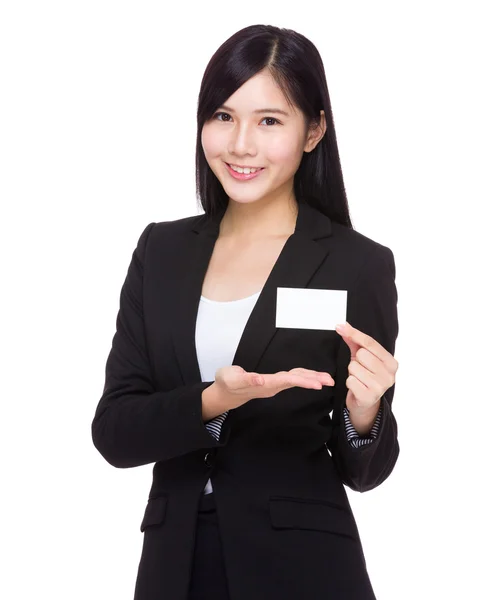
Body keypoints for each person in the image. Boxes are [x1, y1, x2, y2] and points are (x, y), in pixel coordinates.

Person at [91, 24, 400, 600]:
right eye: (223, 116)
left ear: (314, 132)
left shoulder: (357, 265)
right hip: (174, 564)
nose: (240, 145)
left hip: (304, 568)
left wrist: (364, 413)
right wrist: (216, 400)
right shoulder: (160, 252)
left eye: (269, 121)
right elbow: (114, 433)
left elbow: (366, 472)